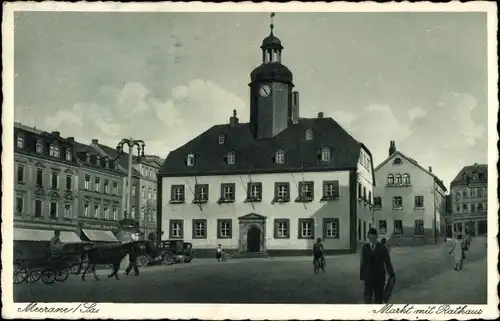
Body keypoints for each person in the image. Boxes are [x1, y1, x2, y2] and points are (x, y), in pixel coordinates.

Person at [359, 228, 395, 304]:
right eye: (370, 238)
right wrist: (362, 275)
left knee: (378, 299)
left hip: (379, 277)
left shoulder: (382, 248)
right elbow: (363, 262)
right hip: (368, 277)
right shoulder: (365, 248)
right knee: (368, 298)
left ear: (376, 237)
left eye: (374, 238)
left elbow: (387, 262)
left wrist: (392, 275)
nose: (372, 240)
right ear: (368, 237)